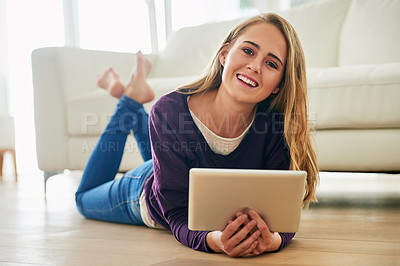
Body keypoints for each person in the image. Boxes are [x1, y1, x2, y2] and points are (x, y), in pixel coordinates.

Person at [75, 13, 319, 257]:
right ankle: (128, 101)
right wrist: (213, 241)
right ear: (224, 54)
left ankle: (128, 94)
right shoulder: (169, 110)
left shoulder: (279, 125)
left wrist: (273, 241)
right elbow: (177, 213)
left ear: (279, 84)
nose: (255, 66)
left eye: (271, 64)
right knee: (84, 199)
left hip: (175, 168)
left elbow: (285, 216)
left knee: (169, 156)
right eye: (248, 51)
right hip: (148, 193)